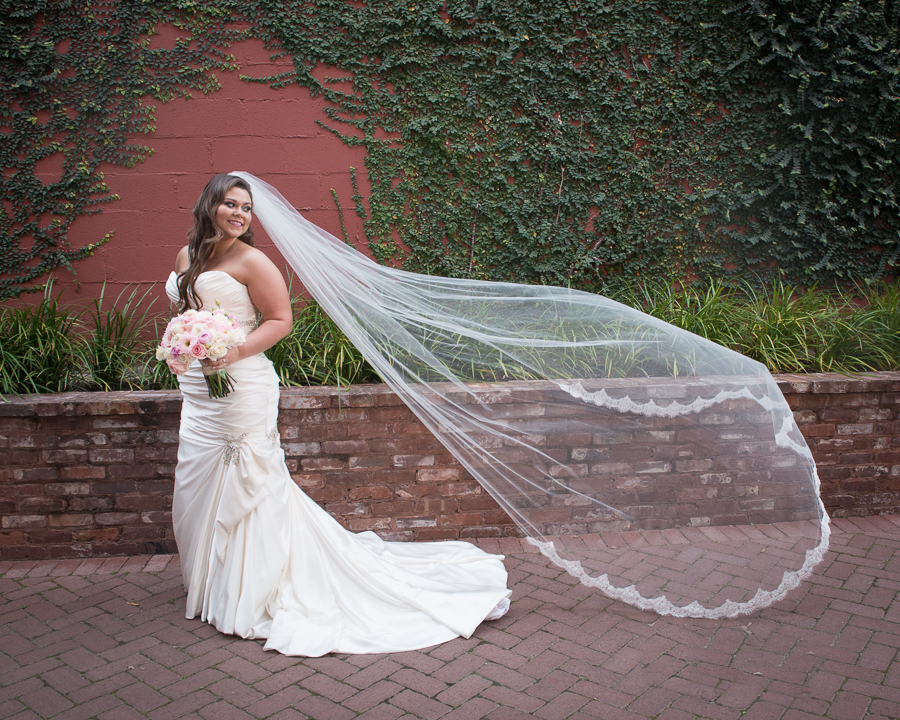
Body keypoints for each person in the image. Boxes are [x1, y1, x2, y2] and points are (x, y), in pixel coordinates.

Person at [165, 174, 511, 657]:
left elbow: (281, 321)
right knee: (198, 479)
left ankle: (257, 588)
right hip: (199, 390)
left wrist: (231, 352)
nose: (240, 214)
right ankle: (217, 581)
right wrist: (187, 346)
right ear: (210, 205)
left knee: (251, 480)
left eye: (247, 208)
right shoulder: (187, 258)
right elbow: (186, 317)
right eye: (230, 204)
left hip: (242, 385)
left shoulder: (252, 261)